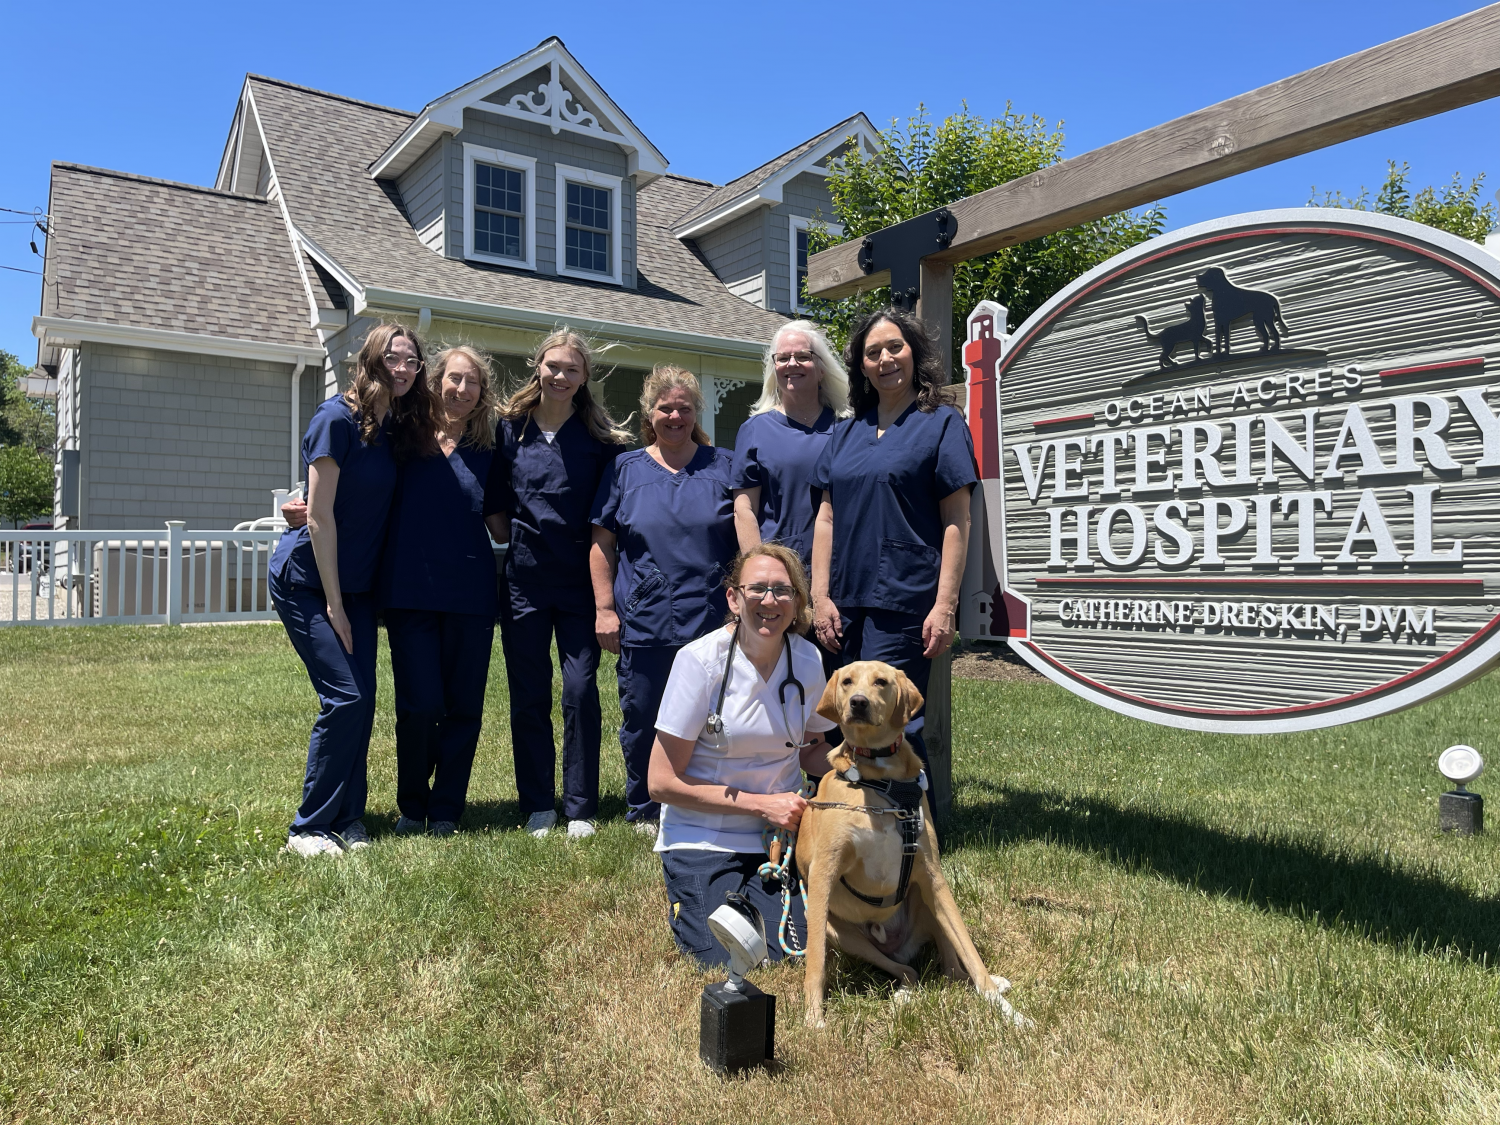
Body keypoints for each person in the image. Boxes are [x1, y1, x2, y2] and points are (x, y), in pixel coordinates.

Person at [268, 324, 435, 857]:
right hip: (307, 581)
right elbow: (317, 518)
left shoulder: (393, 427)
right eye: (393, 358)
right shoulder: (334, 419)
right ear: (369, 360)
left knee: (362, 703)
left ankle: (349, 817)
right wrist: (335, 606)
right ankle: (308, 828)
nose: (403, 368)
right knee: (345, 697)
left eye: (412, 360)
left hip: (356, 587)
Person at [648, 544, 837, 967]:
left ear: (797, 604)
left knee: (794, 951)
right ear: (734, 598)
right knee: (726, 957)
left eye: (783, 591)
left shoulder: (807, 661)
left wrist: (859, 765)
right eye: (758, 589)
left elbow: (812, 750)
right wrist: (761, 804)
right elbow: (660, 782)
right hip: (703, 835)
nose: (770, 601)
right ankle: (692, 901)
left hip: (778, 840)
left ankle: (751, 898)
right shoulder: (698, 663)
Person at [810, 306, 977, 768]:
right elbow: (825, 519)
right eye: (872, 352)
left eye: (895, 347)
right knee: (844, 720)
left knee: (892, 724)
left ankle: (910, 833)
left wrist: (945, 605)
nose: (885, 359)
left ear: (914, 352)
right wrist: (820, 598)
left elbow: (956, 518)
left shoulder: (942, 422)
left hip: (905, 601)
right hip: (843, 603)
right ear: (861, 366)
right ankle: (852, 829)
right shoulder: (845, 433)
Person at [484, 330, 632, 840]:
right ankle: (539, 804)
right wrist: (520, 540)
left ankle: (580, 805)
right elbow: (496, 507)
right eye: (553, 366)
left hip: (579, 587)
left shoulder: (599, 442)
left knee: (579, 689)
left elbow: (605, 522)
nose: (561, 376)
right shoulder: (510, 430)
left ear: (584, 377)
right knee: (528, 694)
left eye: (571, 369)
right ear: (537, 368)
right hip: (524, 582)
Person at [590, 366, 737, 836]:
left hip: (713, 618)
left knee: (714, 717)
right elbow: (601, 544)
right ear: (649, 413)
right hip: (646, 618)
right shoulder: (625, 470)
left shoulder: (725, 467)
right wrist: (605, 609)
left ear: (697, 413)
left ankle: (707, 798)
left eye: (684, 408)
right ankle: (645, 807)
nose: (675, 416)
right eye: (665, 408)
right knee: (643, 715)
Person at [380, 345, 500, 837]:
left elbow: (507, 517)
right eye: (454, 378)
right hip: (410, 591)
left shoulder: (492, 449)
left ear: (481, 393)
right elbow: (362, 485)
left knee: (463, 706)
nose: (461, 388)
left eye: (472, 381)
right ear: (435, 382)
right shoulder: (404, 436)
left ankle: (446, 807)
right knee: (419, 704)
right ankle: (413, 803)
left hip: (471, 595)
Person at [730, 320, 851, 571]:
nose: (792, 363)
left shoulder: (848, 428)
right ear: (774, 369)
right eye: (783, 358)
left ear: (822, 369)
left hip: (841, 571)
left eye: (803, 356)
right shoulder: (754, 430)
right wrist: (758, 572)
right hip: (779, 577)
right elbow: (744, 510)